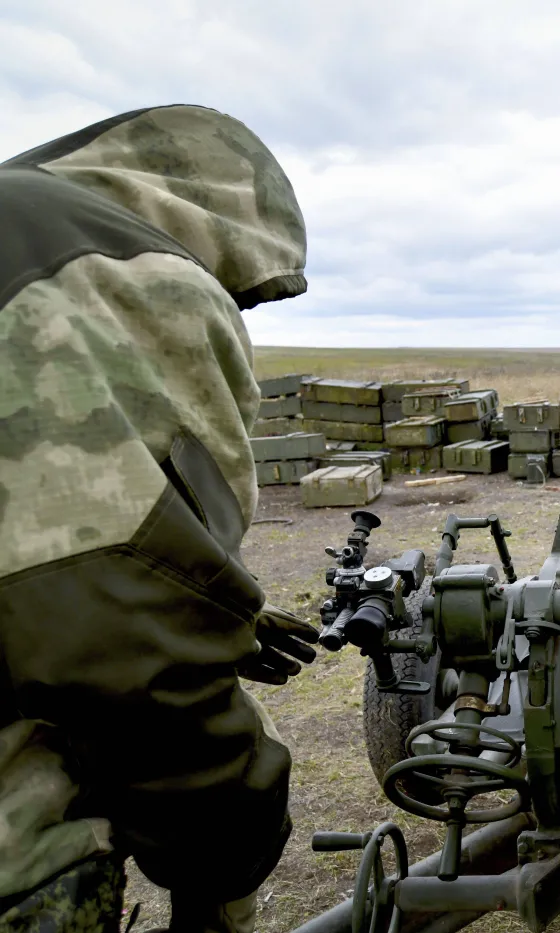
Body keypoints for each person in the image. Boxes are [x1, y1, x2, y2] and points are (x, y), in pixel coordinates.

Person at [0, 106, 319, 933]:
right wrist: (229, 856)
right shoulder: (123, 269)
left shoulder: (21, 225)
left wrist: (222, 610)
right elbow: (122, 641)